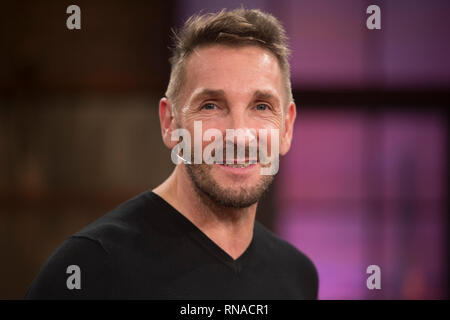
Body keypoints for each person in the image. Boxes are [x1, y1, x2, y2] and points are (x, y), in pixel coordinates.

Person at [25, 8, 318, 299]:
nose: (239, 135)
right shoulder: (90, 266)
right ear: (169, 123)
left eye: (262, 106)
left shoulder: (296, 275)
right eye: (211, 105)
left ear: (287, 127)